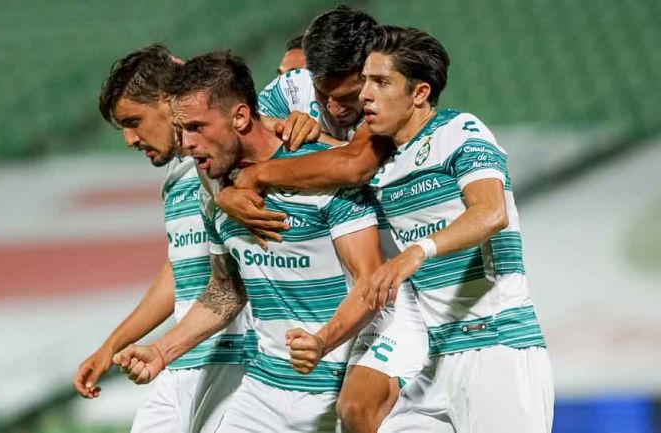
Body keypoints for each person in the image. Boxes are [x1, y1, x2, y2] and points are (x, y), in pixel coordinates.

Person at [235, 24, 556, 432]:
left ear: (419, 93)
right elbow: (334, 160)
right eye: (365, 80)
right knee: (357, 414)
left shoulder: (458, 132)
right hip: (430, 358)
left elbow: (491, 213)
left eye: (381, 82)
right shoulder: (383, 164)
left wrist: (414, 254)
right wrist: (234, 189)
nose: (365, 94)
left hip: (495, 344)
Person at [113, 51, 387, 433]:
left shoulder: (322, 177)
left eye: (196, 128)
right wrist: (162, 350)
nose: (187, 145)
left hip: (338, 384)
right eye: (180, 131)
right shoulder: (216, 193)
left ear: (239, 117)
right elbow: (226, 290)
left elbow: (371, 283)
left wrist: (322, 341)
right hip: (266, 389)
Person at [73, 44, 317, 432]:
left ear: (168, 102)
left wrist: (293, 124)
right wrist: (113, 344)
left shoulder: (234, 157)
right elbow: (183, 269)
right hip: (183, 354)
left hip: (240, 354)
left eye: (133, 121)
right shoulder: (179, 177)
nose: (129, 139)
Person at [226, 6, 429, 432]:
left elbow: (355, 165)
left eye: (348, 96)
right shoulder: (289, 89)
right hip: (338, 289)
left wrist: (263, 172)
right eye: (324, 96)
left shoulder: (393, 97)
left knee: (361, 409)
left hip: (406, 285)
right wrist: (227, 192)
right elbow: (235, 144)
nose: (336, 109)